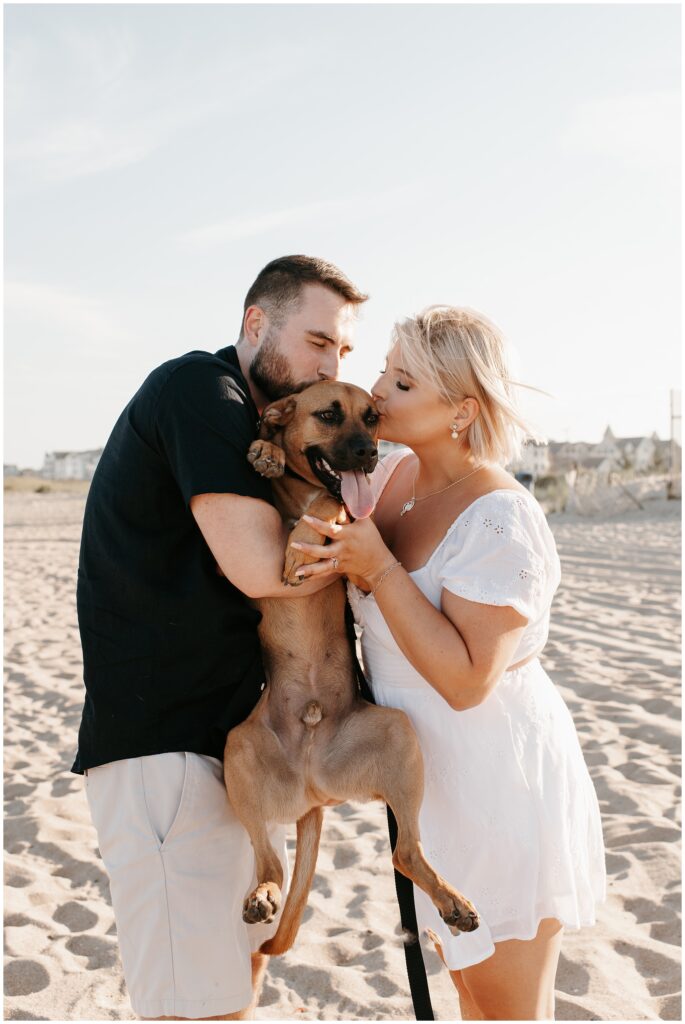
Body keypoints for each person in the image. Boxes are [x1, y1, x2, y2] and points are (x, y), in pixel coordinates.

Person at [291, 305, 607, 1021]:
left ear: (461, 410)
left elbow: (468, 682)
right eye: (383, 370)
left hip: (498, 786)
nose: (375, 392)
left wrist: (379, 571)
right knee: (468, 997)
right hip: (430, 791)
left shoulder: (500, 516)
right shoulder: (393, 479)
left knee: (506, 1009)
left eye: (401, 383)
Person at [72, 255, 367, 1021]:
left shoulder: (258, 423)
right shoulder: (200, 390)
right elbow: (265, 567)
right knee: (194, 1008)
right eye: (316, 341)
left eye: (341, 351)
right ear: (254, 324)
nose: (329, 363)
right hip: (165, 747)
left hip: (236, 746)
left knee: (234, 989)